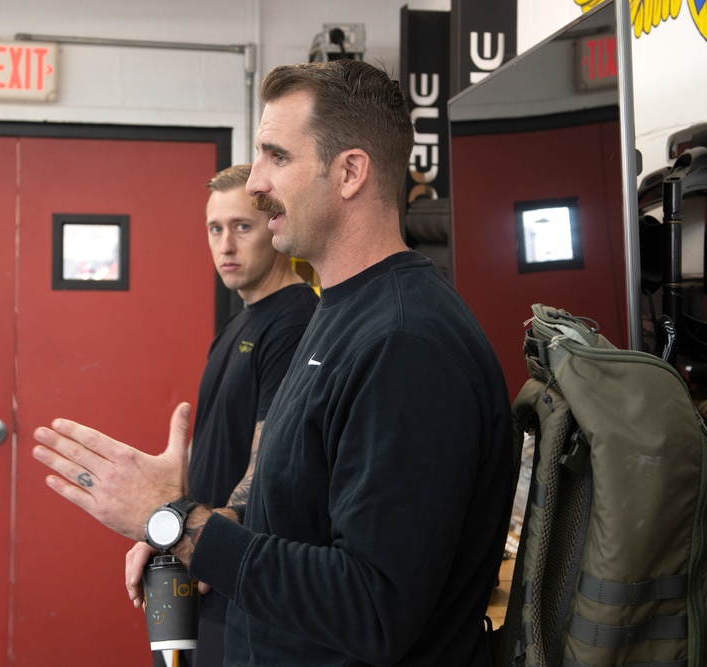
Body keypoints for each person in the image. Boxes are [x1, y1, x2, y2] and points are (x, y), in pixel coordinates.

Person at [32, 59, 513, 666]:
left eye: (276, 157)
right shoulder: (339, 312)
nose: (256, 182)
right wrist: (208, 523)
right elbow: (295, 508)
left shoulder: (404, 343)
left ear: (350, 172)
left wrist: (175, 523)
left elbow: (372, 606)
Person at [155, 163, 318, 667]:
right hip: (200, 564)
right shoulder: (236, 325)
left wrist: (206, 535)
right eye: (215, 228)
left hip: (240, 583)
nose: (225, 245)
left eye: (242, 227)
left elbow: (270, 458)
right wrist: (167, 520)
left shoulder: (296, 319)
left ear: (274, 226)